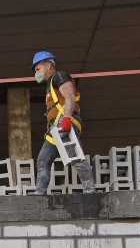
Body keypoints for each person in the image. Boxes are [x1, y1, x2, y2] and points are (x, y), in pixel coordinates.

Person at [31, 51, 96, 195]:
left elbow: (70, 95)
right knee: (43, 159)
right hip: (56, 127)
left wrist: (66, 118)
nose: (36, 73)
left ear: (48, 65)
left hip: (65, 122)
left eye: (38, 69)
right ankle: (39, 194)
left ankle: (90, 191)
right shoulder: (50, 84)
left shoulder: (59, 76)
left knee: (75, 156)